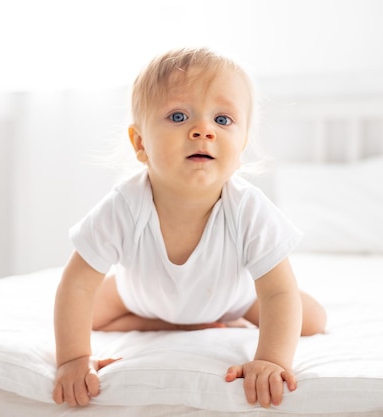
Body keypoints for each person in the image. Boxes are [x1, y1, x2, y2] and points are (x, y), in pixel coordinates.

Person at [52, 47, 327, 409]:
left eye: (223, 120)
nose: (203, 130)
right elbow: (76, 284)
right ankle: (167, 324)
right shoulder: (124, 205)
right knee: (86, 313)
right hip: (138, 295)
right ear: (140, 143)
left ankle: (197, 322)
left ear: (242, 144)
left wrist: (271, 360)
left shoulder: (246, 206)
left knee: (311, 320)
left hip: (233, 301)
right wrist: (72, 359)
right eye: (179, 116)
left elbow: (277, 292)